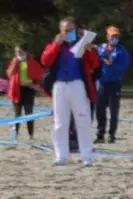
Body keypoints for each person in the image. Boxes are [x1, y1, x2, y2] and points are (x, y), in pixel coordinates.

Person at [40, 17, 100, 166]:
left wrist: (90, 50)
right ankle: (61, 155)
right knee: (60, 123)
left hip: (77, 85)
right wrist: (56, 44)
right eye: (66, 30)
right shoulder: (55, 45)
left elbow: (95, 64)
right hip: (59, 85)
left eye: (71, 30)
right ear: (60, 31)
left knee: (83, 121)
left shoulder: (82, 45)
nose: (69, 33)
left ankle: (87, 156)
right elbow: (45, 61)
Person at [94, 26, 129, 144]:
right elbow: (95, 63)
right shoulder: (101, 49)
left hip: (115, 83)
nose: (114, 38)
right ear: (107, 37)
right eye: (112, 36)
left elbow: (122, 69)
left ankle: (112, 135)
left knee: (114, 110)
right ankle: (100, 134)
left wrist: (111, 64)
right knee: (99, 109)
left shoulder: (122, 51)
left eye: (117, 36)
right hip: (102, 83)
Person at [6, 44, 43, 140]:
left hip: (28, 91)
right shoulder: (14, 61)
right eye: (16, 52)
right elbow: (9, 74)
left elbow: (40, 75)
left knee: (29, 113)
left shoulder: (32, 62)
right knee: (17, 114)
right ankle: (15, 134)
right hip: (16, 90)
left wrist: (35, 86)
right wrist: (15, 63)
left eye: (20, 52)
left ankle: (31, 135)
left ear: (25, 52)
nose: (18, 54)